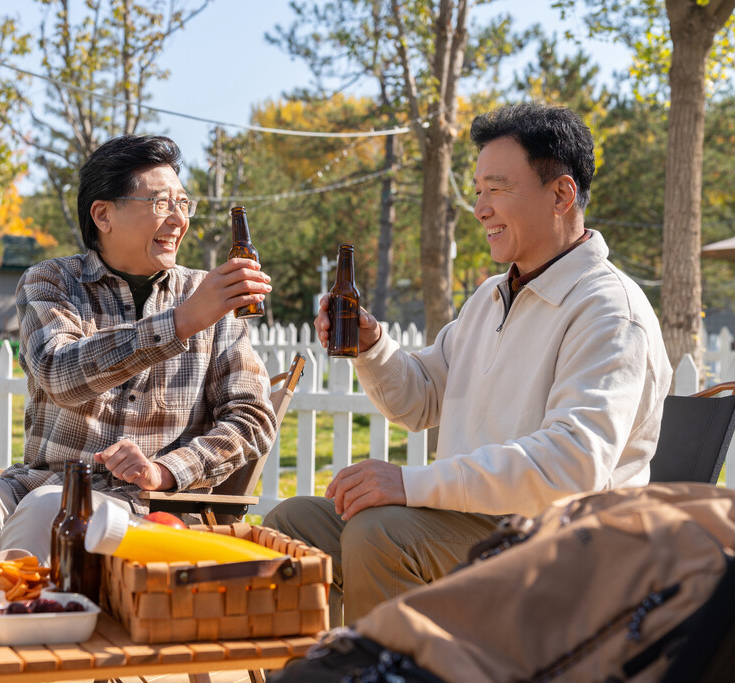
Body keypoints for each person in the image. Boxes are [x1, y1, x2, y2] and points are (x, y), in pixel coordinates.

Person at [264, 102, 673, 626]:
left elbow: (573, 465)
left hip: (562, 547)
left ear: (561, 194)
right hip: (468, 523)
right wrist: (371, 346)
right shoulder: (491, 297)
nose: (480, 208)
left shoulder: (609, 309)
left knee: (380, 534)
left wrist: (412, 483)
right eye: (478, 191)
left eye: (497, 189)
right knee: (293, 525)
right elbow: (419, 400)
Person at [0, 135, 278, 561]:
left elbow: (251, 420)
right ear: (103, 214)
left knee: (53, 512)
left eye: (183, 203)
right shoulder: (51, 282)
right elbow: (58, 373)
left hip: (143, 508)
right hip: (35, 485)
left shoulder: (209, 296)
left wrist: (164, 471)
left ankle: (10, 621)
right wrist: (181, 323)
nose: (178, 218)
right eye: (160, 203)